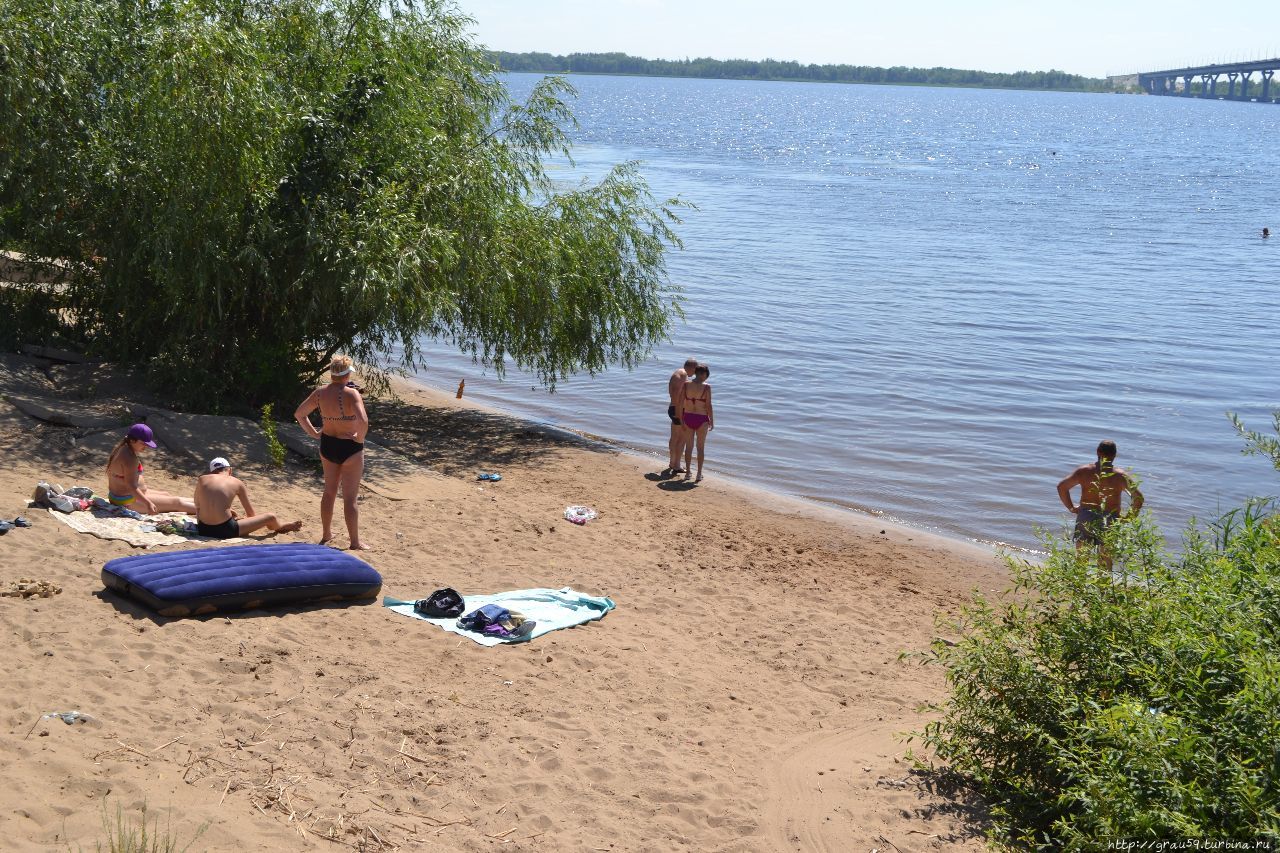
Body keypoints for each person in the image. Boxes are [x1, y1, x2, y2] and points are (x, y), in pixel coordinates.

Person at [294, 355, 371, 550]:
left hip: (328, 444)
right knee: (350, 497)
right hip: (350, 447)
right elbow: (363, 421)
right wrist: (359, 439)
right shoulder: (351, 394)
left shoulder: (320, 393)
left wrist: (314, 433)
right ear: (347, 374)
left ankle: (326, 533)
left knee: (329, 492)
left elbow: (299, 414)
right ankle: (354, 542)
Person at [1056, 439, 1144, 568]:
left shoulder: (1084, 471)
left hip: (1086, 516)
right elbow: (1138, 498)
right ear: (1115, 455)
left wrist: (1071, 508)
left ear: (1097, 452)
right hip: (1110, 519)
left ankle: (1079, 587)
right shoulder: (1120, 475)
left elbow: (1061, 487)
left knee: (1081, 558)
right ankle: (1104, 588)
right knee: (1105, 560)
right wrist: (1129, 517)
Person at [193, 457, 302, 539]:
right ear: (230, 470)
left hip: (203, 529)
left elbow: (198, 507)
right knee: (271, 517)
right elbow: (251, 514)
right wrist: (239, 519)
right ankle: (279, 526)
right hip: (226, 530)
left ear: (211, 472)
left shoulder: (202, 479)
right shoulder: (237, 482)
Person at [105, 423, 197, 515]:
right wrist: (148, 503)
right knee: (177, 503)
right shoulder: (129, 458)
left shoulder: (122, 447)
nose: (145, 447)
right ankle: (208, 511)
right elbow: (131, 486)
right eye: (143, 443)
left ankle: (204, 503)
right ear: (132, 440)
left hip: (121, 496)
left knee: (166, 495)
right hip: (127, 501)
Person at [676, 363, 714, 483]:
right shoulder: (707, 387)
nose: (706, 378)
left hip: (688, 417)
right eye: (706, 375)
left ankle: (688, 473)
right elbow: (708, 405)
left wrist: (680, 418)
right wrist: (712, 420)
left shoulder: (686, 384)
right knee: (700, 448)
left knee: (689, 447)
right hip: (702, 419)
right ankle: (699, 474)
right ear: (703, 374)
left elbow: (680, 402)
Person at [667, 357, 699, 474]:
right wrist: (679, 412)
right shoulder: (683, 374)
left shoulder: (677, 373)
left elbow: (675, 393)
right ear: (692, 368)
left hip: (673, 408)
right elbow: (676, 394)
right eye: (695, 371)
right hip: (677, 410)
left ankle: (672, 462)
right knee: (682, 438)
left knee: (675, 437)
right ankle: (676, 465)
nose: (695, 374)